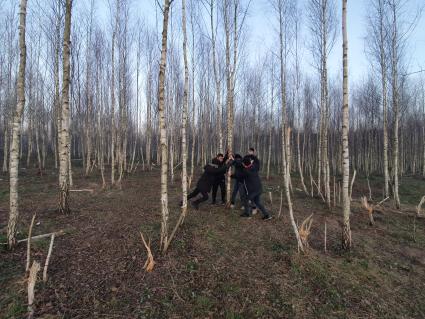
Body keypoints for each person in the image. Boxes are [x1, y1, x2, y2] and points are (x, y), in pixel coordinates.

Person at [240, 156, 272, 220]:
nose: (242, 164)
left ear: (244, 164)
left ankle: (247, 214)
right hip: (258, 189)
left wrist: (232, 175)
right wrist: (252, 157)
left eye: (243, 163)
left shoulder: (245, 171)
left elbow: (239, 176)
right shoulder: (254, 167)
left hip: (253, 190)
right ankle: (267, 215)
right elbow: (256, 162)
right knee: (258, 202)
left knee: (246, 199)